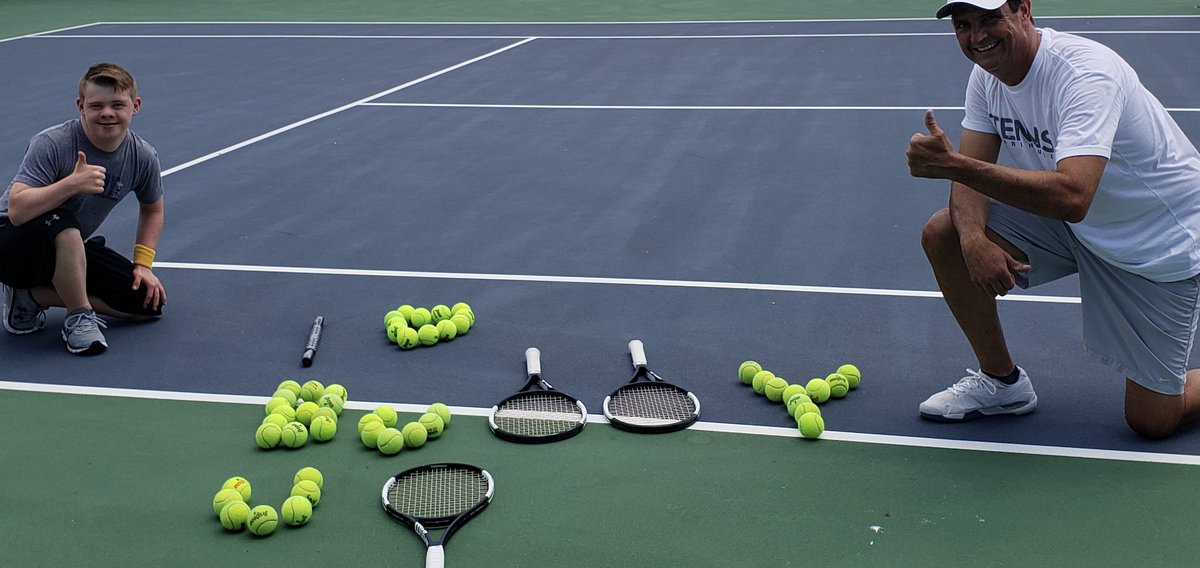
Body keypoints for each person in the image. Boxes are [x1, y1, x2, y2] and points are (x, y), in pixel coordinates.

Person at [907, 0, 1200, 438]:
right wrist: (972, 239)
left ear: (1024, 10)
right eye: (963, 25)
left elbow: (1073, 195)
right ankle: (1002, 384)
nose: (977, 35)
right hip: (1077, 228)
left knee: (1152, 421)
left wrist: (953, 166)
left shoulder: (1084, 73)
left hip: (1154, 240)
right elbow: (971, 171)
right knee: (944, 233)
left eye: (990, 19)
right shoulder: (987, 77)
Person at [0, 62, 166, 355]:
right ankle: (79, 315)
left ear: (135, 106)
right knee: (64, 223)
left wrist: (143, 264)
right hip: (13, 244)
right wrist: (72, 184)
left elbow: (152, 208)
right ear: (81, 106)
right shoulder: (52, 143)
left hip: (69, 246)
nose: (107, 113)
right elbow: (17, 211)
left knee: (146, 303)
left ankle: (31, 297)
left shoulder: (142, 156)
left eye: (117, 104)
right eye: (96, 105)